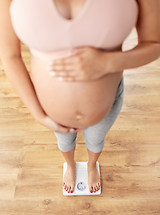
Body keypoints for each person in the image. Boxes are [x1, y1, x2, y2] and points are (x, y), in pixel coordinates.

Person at [0, 0, 160, 194]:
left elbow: (154, 44)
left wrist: (107, 62)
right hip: (50, 110)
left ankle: (92, 166)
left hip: (106, 103)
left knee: (96, 140)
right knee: (64, 142)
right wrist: (38, 114)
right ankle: (71, 165)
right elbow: (9, 55)